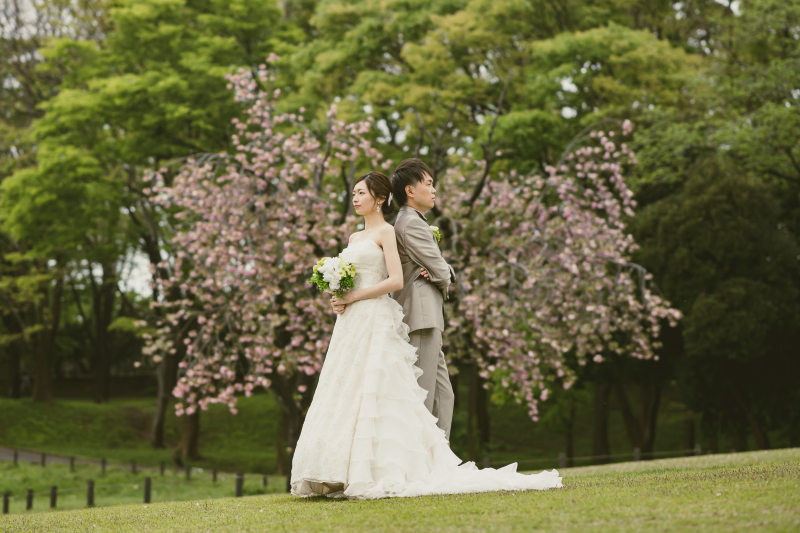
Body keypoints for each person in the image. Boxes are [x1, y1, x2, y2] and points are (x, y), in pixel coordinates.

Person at [290, 170, 562, 499]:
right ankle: (336, 468)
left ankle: (414, 463)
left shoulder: (390, 231)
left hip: (375, 315)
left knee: (391, 390)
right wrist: (338, 294)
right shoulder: (352, 239)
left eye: (361, 193)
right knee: (348, 387)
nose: (355, 198)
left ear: (379, 198)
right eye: (353, 194)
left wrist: (357, 295)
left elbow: (395, 280)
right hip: (350, 323)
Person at [390, 158, 455, 439]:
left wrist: (439, 271)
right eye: (428, 183)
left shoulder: (413, 221)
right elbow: (439, 267)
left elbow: (435, 267)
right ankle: (424, 461)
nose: (434, 189)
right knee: (424, 393)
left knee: (443, 393)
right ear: (410, 190)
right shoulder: (410, 224)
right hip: (420, 314)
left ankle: (440, 456)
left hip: (428, 314)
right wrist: (448, 274)